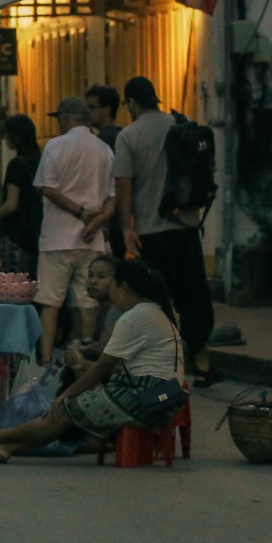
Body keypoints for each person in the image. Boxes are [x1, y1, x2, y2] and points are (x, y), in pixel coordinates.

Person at [0, 259, 185, 463]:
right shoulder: (153, 311)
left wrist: (66, 396)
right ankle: (3, 448)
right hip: (160, 395)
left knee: (65, 411)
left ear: (122, 287)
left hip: (145, 397)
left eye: (112, 283)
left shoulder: (134, 317)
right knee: (66, 415)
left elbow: (102, 366)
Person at [113, 76, 216, 385]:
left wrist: (126, 228)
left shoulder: (128, 136)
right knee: (194, 295)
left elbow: (124, 186)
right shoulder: (180, 125)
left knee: (155, 300)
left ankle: (163, 366)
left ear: (131, 102)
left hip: (149, 232)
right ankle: (203, 362)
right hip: (184, 228)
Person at [32, 97, 115, 364]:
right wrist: (95, 222)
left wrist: (79, 212)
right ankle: (80, 357)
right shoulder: (104, 150)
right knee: (87, 301)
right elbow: (113, 197)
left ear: (67, 119)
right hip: (91, 240)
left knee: (50, 303)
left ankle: (46, 360)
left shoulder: (55, 146)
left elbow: (47, 188)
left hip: (56, 239)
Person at [0, 116, 43, 277]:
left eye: (6, 134)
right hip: (39, 230)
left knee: (14, 285)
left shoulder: (16, 164)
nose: (4, 139)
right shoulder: (42, 160)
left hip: (17, 233)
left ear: (15, 136)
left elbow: (11, 204)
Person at [62, 253, 125, 380]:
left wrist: (80, 349)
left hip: (124, 371)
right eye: (90, 275)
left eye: (101, 277)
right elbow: (97, 339)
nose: (93, 281)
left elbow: (104, 347)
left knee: (78, 359)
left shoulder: (115, 310)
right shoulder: (102, 309)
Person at [85, 84, 123, 151]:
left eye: (91, 107)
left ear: (106, 110)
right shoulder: (123, 135)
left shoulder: (103, 140)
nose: (87, 112)